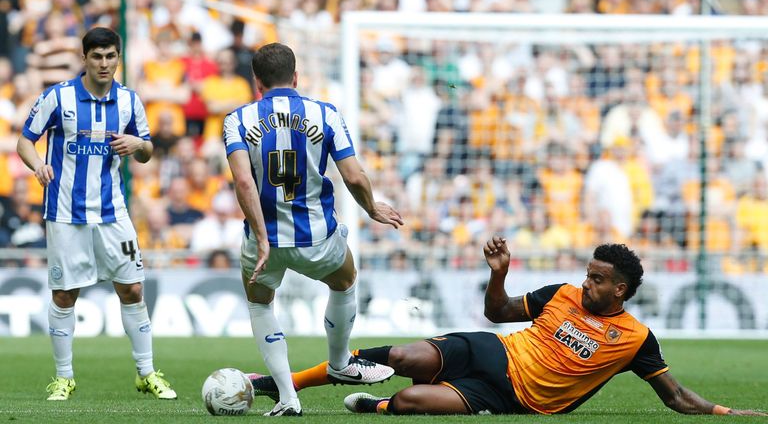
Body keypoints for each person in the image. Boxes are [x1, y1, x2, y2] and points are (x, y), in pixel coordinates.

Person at [249, 236, 765, 416]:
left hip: (516, 398)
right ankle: (278, 382)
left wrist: (726, 410)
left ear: (621, 291)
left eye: (598, 279)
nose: (586, 284)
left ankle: (377, 404)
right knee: (404, 358)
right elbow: (497, 312)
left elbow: (674, 396)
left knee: (407, 403)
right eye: (588, 274)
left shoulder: (635, 340)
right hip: (492, 350)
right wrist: (499, 277)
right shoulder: (560, 295)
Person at [223, 42, 404, 417]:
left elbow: (243, 184)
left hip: (265, 239)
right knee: (345, 281)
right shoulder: (325, 114)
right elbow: (353, 175)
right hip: (317, 237)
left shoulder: (237, 120)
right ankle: (339, 361)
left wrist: (260, 238)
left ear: (256, 82)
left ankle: (289, 396)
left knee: (260, 303)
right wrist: (371, 208)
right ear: (296, 76)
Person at [16, 27, 176, 401]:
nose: (104, 64)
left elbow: (147, 151)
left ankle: (146, 373)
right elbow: (26, 141)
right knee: (65, 294)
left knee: (133, 288)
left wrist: (140, 144)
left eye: (110, 56)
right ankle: (63, 378)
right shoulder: (58, 97)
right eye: (96, 56)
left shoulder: (130, 102)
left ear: (118, 57)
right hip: (65, 211)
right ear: (84, 57)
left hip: (112, 211)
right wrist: (38, 165)